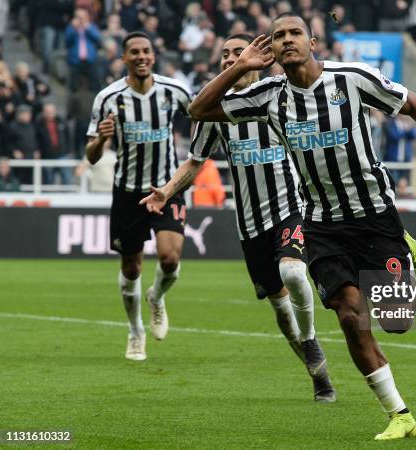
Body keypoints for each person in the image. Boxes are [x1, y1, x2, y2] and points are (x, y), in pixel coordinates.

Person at [185, 14, 416, 440]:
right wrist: (240, 67)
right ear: (269, 49)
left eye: (294, 34)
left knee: (397, 320)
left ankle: (404, 248)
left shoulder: (352, 79)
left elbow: (415, 104)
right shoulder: (268, 95)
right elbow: (197, 110)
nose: (287, 41)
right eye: (278, 37)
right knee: (349, 314)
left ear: (311, 40)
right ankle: (399, 413)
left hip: (374, 215)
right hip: (322, 223)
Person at [141, 33, 336, 403]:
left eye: (237, 52)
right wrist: (167, 191)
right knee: (280, 310)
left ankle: (311, 340)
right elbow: (195, 162)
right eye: (225, 55)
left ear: (258, 56)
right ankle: (319, 377)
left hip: (290, 208)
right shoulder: (217, 110)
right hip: (250, 224)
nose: (230, 58)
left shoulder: (281, 96)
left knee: (294, 272)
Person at [85, 31, 193, 361]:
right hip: (127, 192)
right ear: (124, 58)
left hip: (165, 188)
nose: (141, 56)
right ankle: (135, 332)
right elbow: (90, 156)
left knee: (170, 259)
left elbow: (201, 121)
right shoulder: (108, 98)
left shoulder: (175, 91)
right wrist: (101, 141)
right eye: (134, 52)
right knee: (131, 268)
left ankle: (156, 298)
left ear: (153, 56)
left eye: (146, 50)